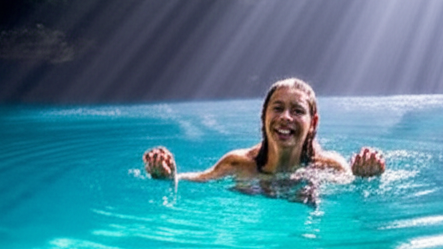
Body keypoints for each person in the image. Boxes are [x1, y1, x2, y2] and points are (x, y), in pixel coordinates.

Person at [143, 78, 386, 184]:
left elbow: (352, 192)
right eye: (277, 108)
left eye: (297, 111)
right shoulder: (237, 164)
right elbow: (195, 179)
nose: (285, 117)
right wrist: (169, 177)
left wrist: (366, 179)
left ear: (313, 123)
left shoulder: (330, 167)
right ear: (263, 116)